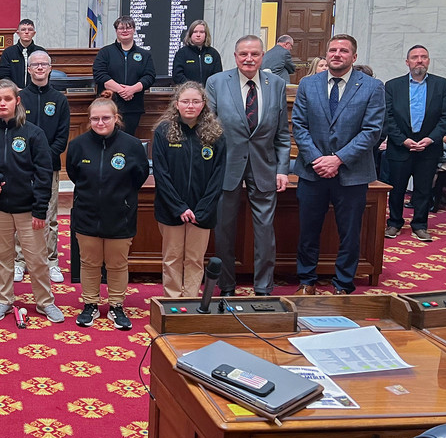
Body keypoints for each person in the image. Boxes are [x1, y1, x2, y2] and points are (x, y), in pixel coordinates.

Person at [292, 34, 385, 295]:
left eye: (343, 51)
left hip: (352, 173)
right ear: (326, 54)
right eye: (332, 50)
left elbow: (372, 130)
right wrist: (317, 159)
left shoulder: (372, 86)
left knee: (349, 233)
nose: (337, 54)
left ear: (353, 57)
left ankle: (343, 284)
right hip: (313, 172)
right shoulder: (308, 84)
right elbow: (298, 125)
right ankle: (306, 281)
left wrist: (338, 159)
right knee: (308, 231)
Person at [0, 79, 62, 323]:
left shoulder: (34, 134)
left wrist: (40, 210)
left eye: (7, 99)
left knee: (37, 259)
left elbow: (44, 175)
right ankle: (4, 300)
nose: (2, 104)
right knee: (2, 258)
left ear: (17, 101)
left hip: (28, 210)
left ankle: (45, 302)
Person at [206, 36, 291, 296]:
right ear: (235, 56)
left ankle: (264, 286)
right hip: (226, 167)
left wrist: (282, 169)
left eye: (254, 54)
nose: (249, 59)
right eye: (243, 54)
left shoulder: (276, 84)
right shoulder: (217, 82)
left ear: (263, 56)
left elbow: (282, 133)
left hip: (265, 166)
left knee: (265, 230)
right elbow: (207, 130)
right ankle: (227, 285)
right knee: (224, 230)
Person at [66, 98, 148, 330]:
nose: (100, 122)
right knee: (89, 262)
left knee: (117, 264)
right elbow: (74, 174)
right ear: (89, 119)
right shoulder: (78, 145)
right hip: (86, 214)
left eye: (105, 118)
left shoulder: (131, 146)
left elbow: (139, 177)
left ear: (116, 118)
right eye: (95, 118)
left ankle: (116, 306)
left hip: (120, 215)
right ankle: (90, 304)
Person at [151, 81, 226, 298]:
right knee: (172, 258)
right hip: (171, 209)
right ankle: (172, 299)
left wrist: (202, 209)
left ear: (203, 104)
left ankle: (192, 299)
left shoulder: (216, 133)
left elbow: (218, 176)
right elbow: (161, 174)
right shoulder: (163, 131)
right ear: (176, 104)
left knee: (194, 258)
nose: (190, 106)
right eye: (185, 101)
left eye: (195, 101)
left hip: (203, 211)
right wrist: (179, 207)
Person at [383, 45, 446, 243]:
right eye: (415, 57)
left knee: (423, 189)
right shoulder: (393, 85)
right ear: (407, 62)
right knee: (396, 188)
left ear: (428, 61)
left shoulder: (441, 84)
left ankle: (420, 225)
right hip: (400, 146)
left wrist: (430, 139)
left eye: (423, 57)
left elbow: (445, 117)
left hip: (428, 148)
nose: (419, 60)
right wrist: (403, 140)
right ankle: (394, 222)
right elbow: (387, 117)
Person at [15, 50, 69, 284]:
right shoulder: (19, 98)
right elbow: (15, 132)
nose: (39, 68)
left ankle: (51, 261)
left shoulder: (59, 99)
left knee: (49, 215)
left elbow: (61, 137)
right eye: (35, 64)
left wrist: (44, 160)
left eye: (43, 64)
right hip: (20, 168)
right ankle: (19, 261)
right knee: (20, 215)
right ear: (28, 69)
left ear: (49, 68)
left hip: (50, 169)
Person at [92, 15, 156, 136]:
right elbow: (99, 74)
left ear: (134, 30)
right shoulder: (105, 52)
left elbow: (150, 76)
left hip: (133, 107)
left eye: (128, 27)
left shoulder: (144, 54)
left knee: (128, 139)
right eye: (121, 28)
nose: (125, 31)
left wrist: (132, 90)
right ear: (116, 31)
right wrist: (121, 90)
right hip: (108, 105)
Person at [0, 18, 46, 89]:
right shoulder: (8, 52)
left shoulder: (41, 52)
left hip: (36, 91)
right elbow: (4, 75)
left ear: (34, 33)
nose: (26, 32)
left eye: (30, 29)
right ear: (18, 33)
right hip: (14, 92)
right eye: (23, 29)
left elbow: (46, 73)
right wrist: (15, 89)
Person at [172, 19, 223, 86]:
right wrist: (192, 87)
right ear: (190, 34)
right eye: (195, 32)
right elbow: (177, 75)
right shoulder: (182, 53)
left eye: (201, 32)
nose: (198, 35)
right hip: (187, 92)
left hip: (208, 93)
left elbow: (218, 76)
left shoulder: (213, 53)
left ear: (206, 35)